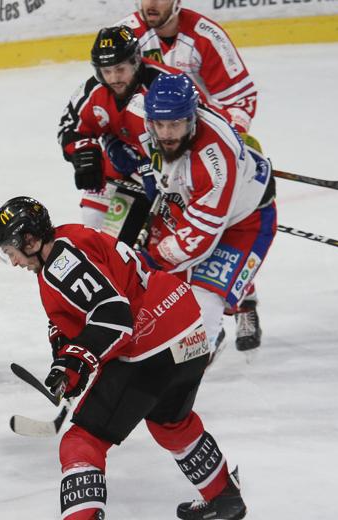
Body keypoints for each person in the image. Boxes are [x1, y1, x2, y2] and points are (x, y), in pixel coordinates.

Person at [0, 196, 249, 520]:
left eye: (11, 251)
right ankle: (224, 498)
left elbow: (114, 316)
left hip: (152, 345)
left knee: (82, 441)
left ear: (29, 239)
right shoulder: (71, 241)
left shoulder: (61, 263)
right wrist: (67, 358)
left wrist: (77, 361)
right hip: (187, 332)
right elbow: (79, 314)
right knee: (171, 422)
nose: (13, 262)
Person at [123, 0, 265, 347]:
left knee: (219, 234)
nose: (150, 3)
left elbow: (241, 98)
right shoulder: (128, 35)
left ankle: (243, 301)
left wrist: (223, 141)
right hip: (162, 149)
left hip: (203, 151)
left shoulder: (205, 37)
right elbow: (112, 90)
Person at [131, 73, 276, 353]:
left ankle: (215, 334)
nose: (166, 133)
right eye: (160, 125)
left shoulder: (214, 161)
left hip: (244, 221)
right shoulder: (144, 111)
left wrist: (152, 262)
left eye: (175, 124)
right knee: (166, 294)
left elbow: (198, 239)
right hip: (190, 199)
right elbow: (114, 117)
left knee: (202, 304)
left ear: (192, 119)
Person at [58, 26, 184, 235]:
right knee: (93, 219)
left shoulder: (165, 86)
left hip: (168, 169)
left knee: (165, 235)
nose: (114, 78)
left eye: (120, 69)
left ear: (136, 61)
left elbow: (190, 136)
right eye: (107, 71)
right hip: (122, 164)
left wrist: (151, 166)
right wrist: (84, 152)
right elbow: (70, 127)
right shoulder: (93, 91)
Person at [123, 0, 257, 135]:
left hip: (198, 132)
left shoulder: (208, 36)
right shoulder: (123, 39)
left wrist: (233, 135)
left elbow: (239, 100)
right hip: (140, 134)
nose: (151, 3)